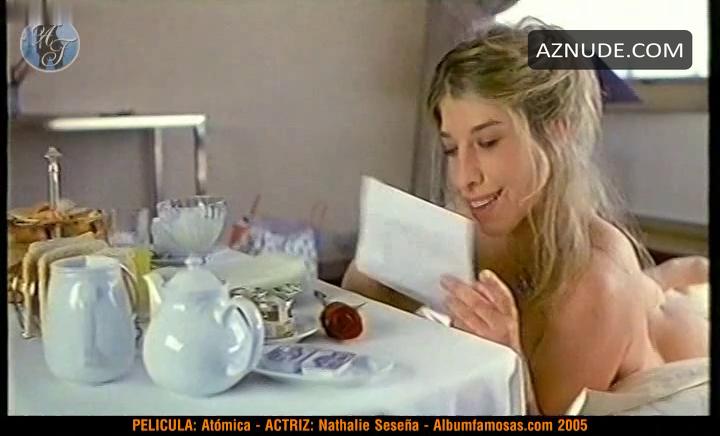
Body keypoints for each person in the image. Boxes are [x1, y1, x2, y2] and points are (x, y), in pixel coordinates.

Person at [342, 20, 709, 415]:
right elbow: (354, 302)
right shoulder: (473, 223)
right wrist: (374, 270)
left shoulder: (598, 279)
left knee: (659, 302)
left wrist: (507, 358)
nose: (464, 178)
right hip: (636, 301)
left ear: (557, 133)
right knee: (652, 289)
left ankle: (677, 278)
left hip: (680, 344)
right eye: (451, 149)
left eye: (488, 142)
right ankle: (669, 277)